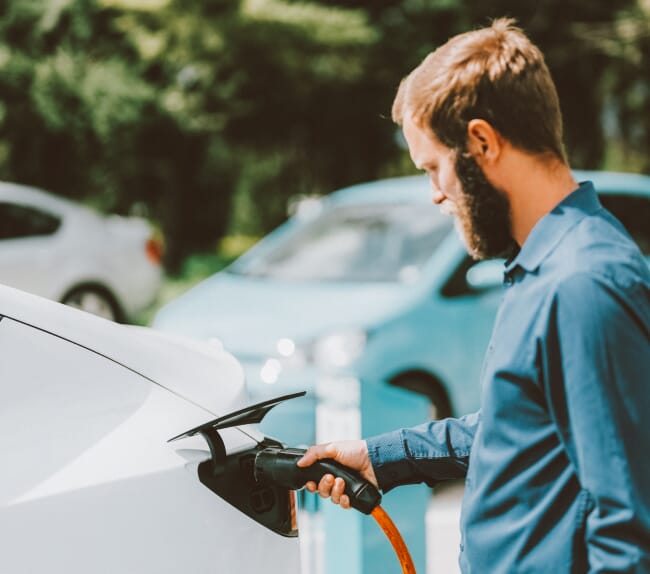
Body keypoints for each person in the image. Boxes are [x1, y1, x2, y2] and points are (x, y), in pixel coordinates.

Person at [297, 18, 650, 573]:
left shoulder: (583, 284)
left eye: (434, 167)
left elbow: (630, 533)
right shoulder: (541, 266)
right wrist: (381, 458)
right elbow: (518, 427)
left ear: (482, 141)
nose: (435, 194)